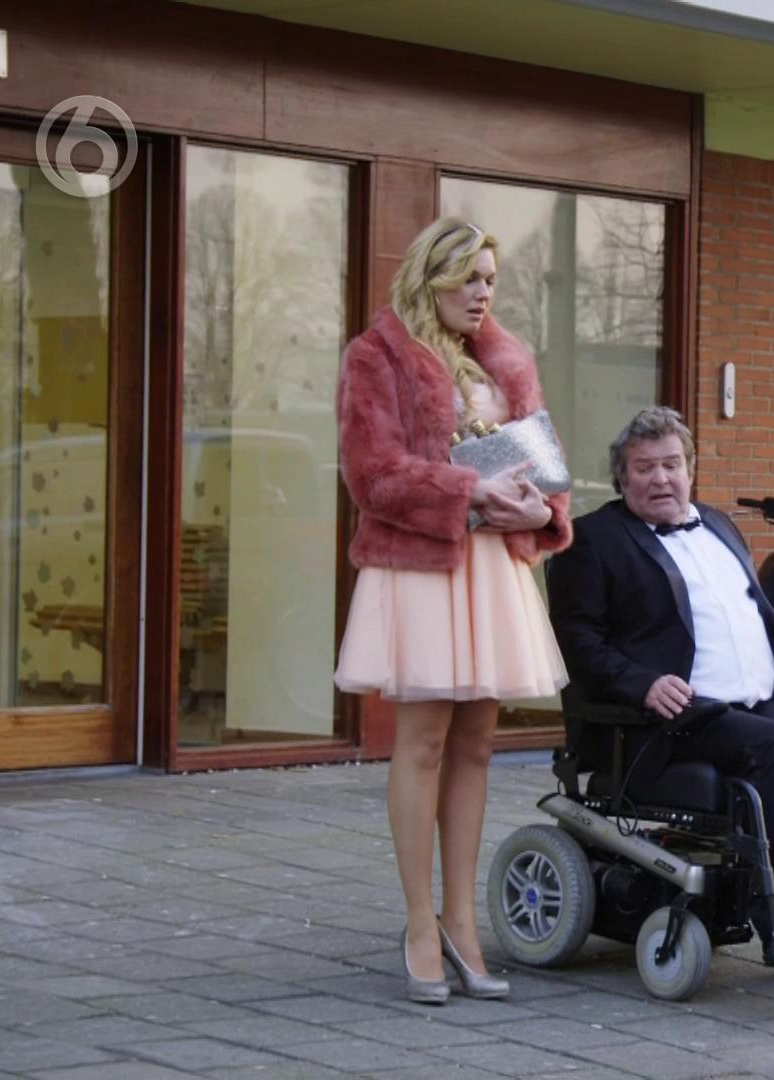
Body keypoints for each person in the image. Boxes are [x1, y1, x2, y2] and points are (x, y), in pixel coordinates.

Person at [546, 406, 774, 951]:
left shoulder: (718, 526)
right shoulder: (593, 540)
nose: (660, 478)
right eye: (644, 468)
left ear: (690, 468)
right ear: (622, 478)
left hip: (753, 706)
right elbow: (579, 644)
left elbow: (762, 619)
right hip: (672, 720)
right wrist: (642, 684)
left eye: (671, 464)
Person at [333, 217, 572, 1004]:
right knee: (425, 741)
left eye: (491, 279)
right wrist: (470, 490)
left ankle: (462, 924)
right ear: (431, 275)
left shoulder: (505, 359)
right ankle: (417, 924)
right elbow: (372, 474)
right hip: (423, 569)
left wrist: (539, 510)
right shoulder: (376, 356)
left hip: (492, 569)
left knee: (476, 747)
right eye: (469, 276)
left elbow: (544, 465)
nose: (482, 293)